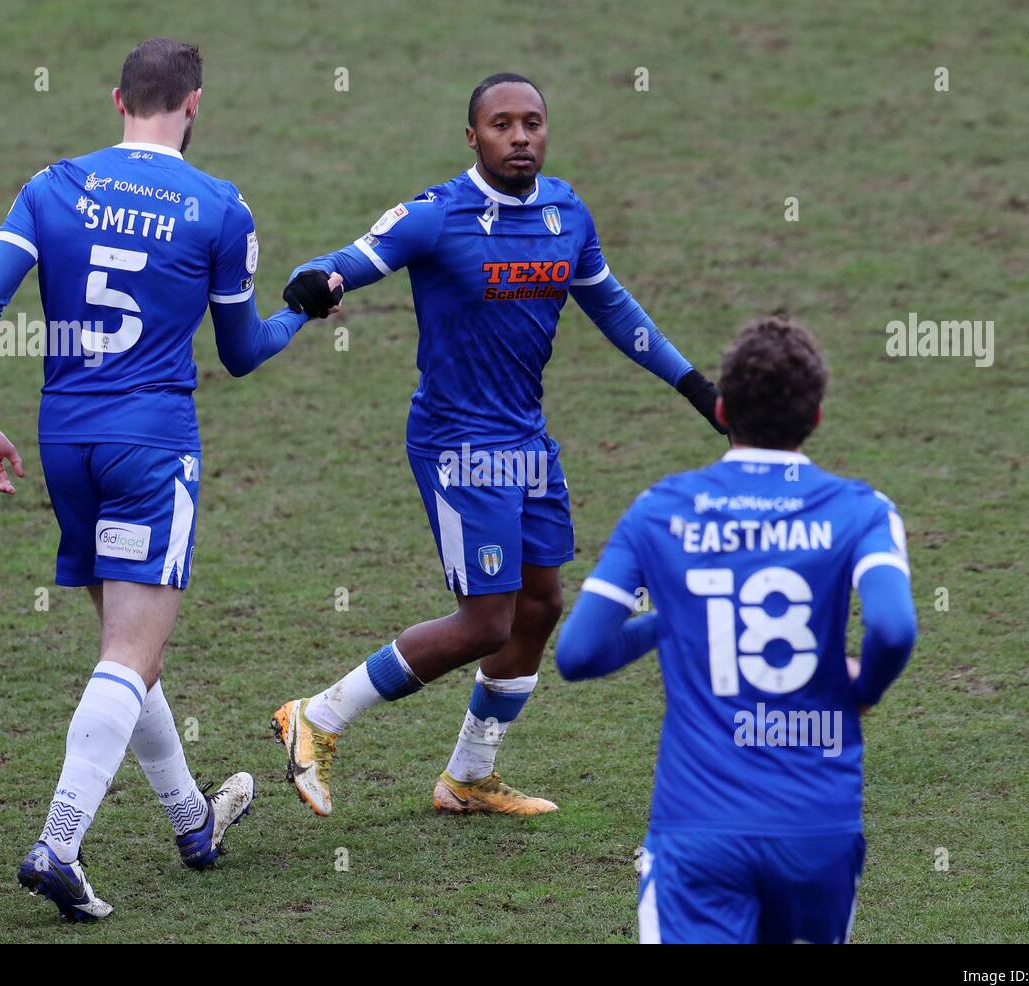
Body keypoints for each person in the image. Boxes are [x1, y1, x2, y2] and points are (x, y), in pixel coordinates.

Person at [270, 73, 725, 817]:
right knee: (486, 619)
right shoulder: (436, 215)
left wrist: (700, 391)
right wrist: (314, 283)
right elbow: (338, 263)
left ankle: (468, 776)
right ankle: (316, 717)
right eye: (502, 124)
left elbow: (615, 309)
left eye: (533, 122)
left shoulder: (565, 212)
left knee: (540, 603)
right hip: (457, 443)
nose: (520, 136)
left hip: (525, 438)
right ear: (473, 137)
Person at [0, 38, 338, 920]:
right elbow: (240, 355)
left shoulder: (52, 184)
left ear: (116, 100)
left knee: (131, 653)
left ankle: (193, 822)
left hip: (67, 445)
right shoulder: (218, 207)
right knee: (129, 653)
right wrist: (298, 314)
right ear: (193, 105)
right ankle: (58, 841)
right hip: (152, 449)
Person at [555, 316, 917, 943]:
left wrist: (668, 621)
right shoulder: (863, 510)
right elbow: (892, 626)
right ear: (817, 417)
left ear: (722, 409)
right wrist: (866, 688)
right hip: (817, 831)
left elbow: (579, 652)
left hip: (699, 833)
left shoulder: (659, 510)